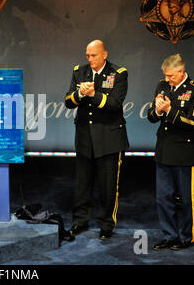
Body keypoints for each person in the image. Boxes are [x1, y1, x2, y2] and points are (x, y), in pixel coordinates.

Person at [64, 40, 129, 240]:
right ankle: (79, 222)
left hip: (109, 138)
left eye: (93, 55)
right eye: (87, 55)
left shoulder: (118, 73)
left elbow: (115, 103)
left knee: (107, 185)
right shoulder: (79, 71)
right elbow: (68, 102)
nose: (89, 59)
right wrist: (79, 93)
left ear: (104, 54)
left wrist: (93, 94)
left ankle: (106, 224)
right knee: (82, 184)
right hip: (85, 138)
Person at [148, 54, 194, 251]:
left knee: (187, 199)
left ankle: (188, 237)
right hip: (164, 150)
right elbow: (151, 116)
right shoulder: (162, 86)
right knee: (163, 197)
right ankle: (170, 235)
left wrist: (170, 110)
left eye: (171, 75)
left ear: (181, 72)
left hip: (185, 152)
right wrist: (157, 111)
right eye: (165, 75)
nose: (167, 79)